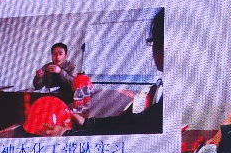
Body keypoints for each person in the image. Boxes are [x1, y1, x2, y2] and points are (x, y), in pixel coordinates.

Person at [42, 8, 164, 136]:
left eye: (60, 53)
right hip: (56, 101)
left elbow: (73, 82)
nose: (57, 57)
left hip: (68, 99)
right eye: (54, 54)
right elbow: (135, 122)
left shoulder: (71, 66)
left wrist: (68, 134)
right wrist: (39, 77)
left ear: (65, 55)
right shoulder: (47, 66)